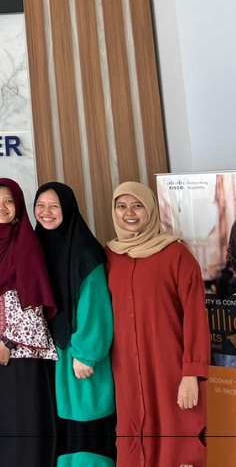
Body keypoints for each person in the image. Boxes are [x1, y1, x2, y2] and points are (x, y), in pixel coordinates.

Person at [105, 181, 210, 442]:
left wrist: (191, 373)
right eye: (121, 206)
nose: (129, 213)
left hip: (170, 367)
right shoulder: (108, 256)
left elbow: (195, 318)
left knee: (177, 437)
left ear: (151, 210)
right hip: (126, 371)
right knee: (133, 439)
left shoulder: (177, 255)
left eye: (137, 206)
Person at [0, 178, 57, 467]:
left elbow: (36, 299)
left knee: (25, 423)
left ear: (18, 206)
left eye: (8, 201)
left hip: (22, 351)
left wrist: (8, 344)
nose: (1, 206)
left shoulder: (26, 240)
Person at [33, 182, 116, 457]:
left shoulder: (85, 252)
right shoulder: (37, 248)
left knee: (86, 429)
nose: (46, 212)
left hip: (78, 357)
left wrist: (85, 354)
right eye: (41, 205)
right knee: (62, 436)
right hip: (52, 358)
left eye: (54, 206)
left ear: (67, 209)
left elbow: (95, 307)